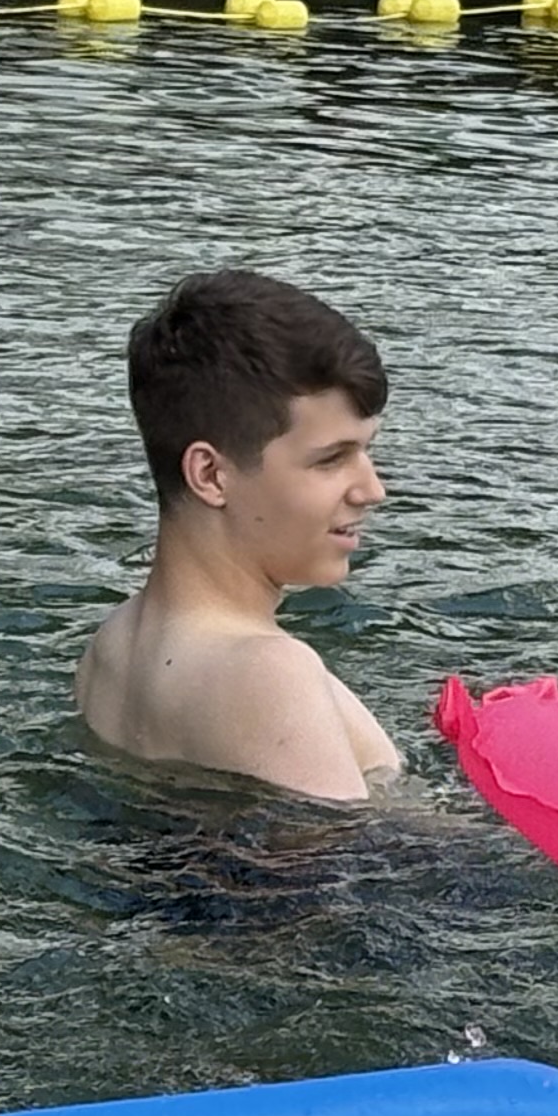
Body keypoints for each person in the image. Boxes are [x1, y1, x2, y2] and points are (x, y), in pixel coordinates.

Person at [75, 268, 402, 802]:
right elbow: (353, 855)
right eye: (331, 460)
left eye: (366, 451)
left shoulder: (112, 645)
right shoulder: (268, 674)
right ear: (210, 475)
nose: (372, 490)